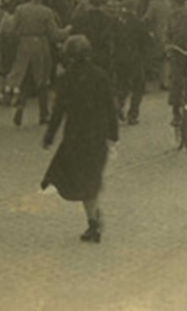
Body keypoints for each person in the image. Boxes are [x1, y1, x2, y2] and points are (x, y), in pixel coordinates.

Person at [41, 36, 119, 243]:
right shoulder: (101, 76)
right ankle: (93, 219)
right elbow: (110, 107)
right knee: (90, 178)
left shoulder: (66, 78)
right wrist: (113, 133)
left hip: (76, 134)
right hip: (97, 134)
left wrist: (49, 136)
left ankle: (93, 222)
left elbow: (58, 110)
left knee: (81, 178)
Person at [6, 0, 66, 126]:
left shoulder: (20, 9)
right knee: (42, 79)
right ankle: (44, 113)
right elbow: (54, 34)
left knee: (25, 77)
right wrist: (67, 31)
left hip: (24, 44)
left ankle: (20, 107)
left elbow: (13, 30)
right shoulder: (47, 12)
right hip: (41, 44)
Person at [113, 0, 150, 125]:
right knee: (138, 86)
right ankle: (133, 114)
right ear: (136, 7)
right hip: (135, 58)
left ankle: (119, 103)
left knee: (122, 84)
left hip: (119, 58)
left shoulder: (117, 22)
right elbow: (146, 42)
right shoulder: (139, 23)